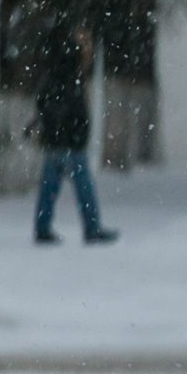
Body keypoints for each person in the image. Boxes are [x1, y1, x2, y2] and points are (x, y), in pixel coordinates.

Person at [32, 18, 117, 245]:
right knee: (84, 188)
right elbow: (75, 111)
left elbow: (43, 104)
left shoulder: (52, 75)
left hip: (55, 141)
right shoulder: (71, 77)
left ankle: (42, 228)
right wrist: (78, 134)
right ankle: (91, 227)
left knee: (49, 187)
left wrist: (51, 130)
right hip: (71, 142)